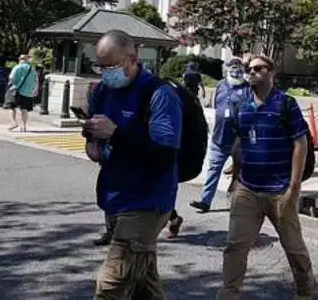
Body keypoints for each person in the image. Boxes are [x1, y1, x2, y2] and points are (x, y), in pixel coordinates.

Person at [83, 30, 182, 299]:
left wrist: (115, 134)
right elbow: (95, 131)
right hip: (116, 195)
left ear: (132, 58)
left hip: (147, 201)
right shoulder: (103, 90)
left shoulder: (158, 94)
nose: (105, 72)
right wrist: (92, 143)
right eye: (99, 66)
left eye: (111, 66)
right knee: (143, 286)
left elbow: (164, 155)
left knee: (110, 286)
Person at [217, 55, 315, 300]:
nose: (252, 72)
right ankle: (228, 293)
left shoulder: (286, 104)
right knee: (235, 246)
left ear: (272, 73)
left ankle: (305, 290)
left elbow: (300, 144)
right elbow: (239, 144)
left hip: (280, 189)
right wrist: (235, 179)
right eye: (250, 69)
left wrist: (294, 186)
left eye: (258, 68)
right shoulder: (242, 105)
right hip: (247, 188)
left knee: (293, 247)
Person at [190, 56, 249, 213]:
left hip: (239, 140)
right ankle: (205, 201)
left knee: (240, 174)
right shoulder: (221, 86)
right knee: (213, 171)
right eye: (232, 66)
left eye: (238, 66)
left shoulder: (248, 89)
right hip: (219, 137)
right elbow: (217, 106)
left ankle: (236, 202)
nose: (235, 69)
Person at [7, 55, 39, 132]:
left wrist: (13, 84)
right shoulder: (32, 69)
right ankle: (24, 126)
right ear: (27, 60)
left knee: (12, 107)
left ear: (20, 60)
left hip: (16, 90)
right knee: (24, 109)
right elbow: (36, 80)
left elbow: (11, 78)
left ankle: (13, 122)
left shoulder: (17, 67)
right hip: (28, 92)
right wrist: (35, 90)